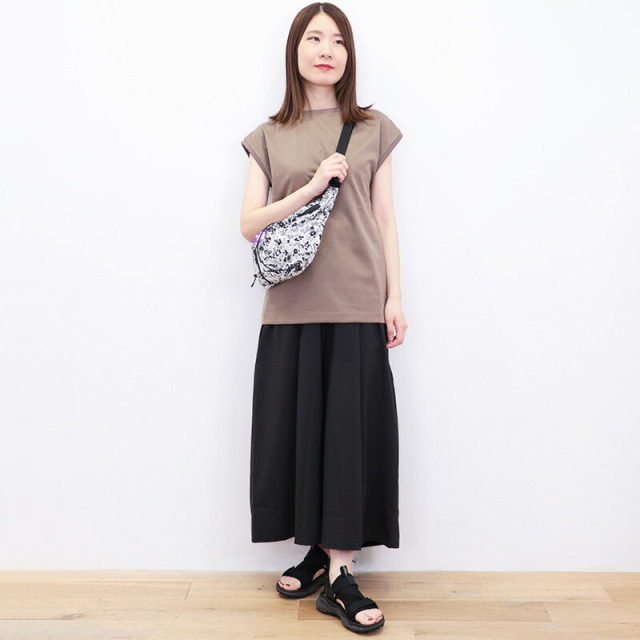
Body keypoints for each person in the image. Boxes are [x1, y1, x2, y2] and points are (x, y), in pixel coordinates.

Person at [239, 2, 407, 633]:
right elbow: (248, 224)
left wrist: (394, 297)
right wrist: (310, 188)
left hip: (357, 300)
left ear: (348, 54)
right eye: (314, 38)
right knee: (300, 432)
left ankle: (340, 574)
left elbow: (385, 219)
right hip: (290, 307)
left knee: (347, 436)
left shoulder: (373, 128)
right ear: (296, 51)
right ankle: (317, 550)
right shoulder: (267, 136)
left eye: (338, 40)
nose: (326, 50)